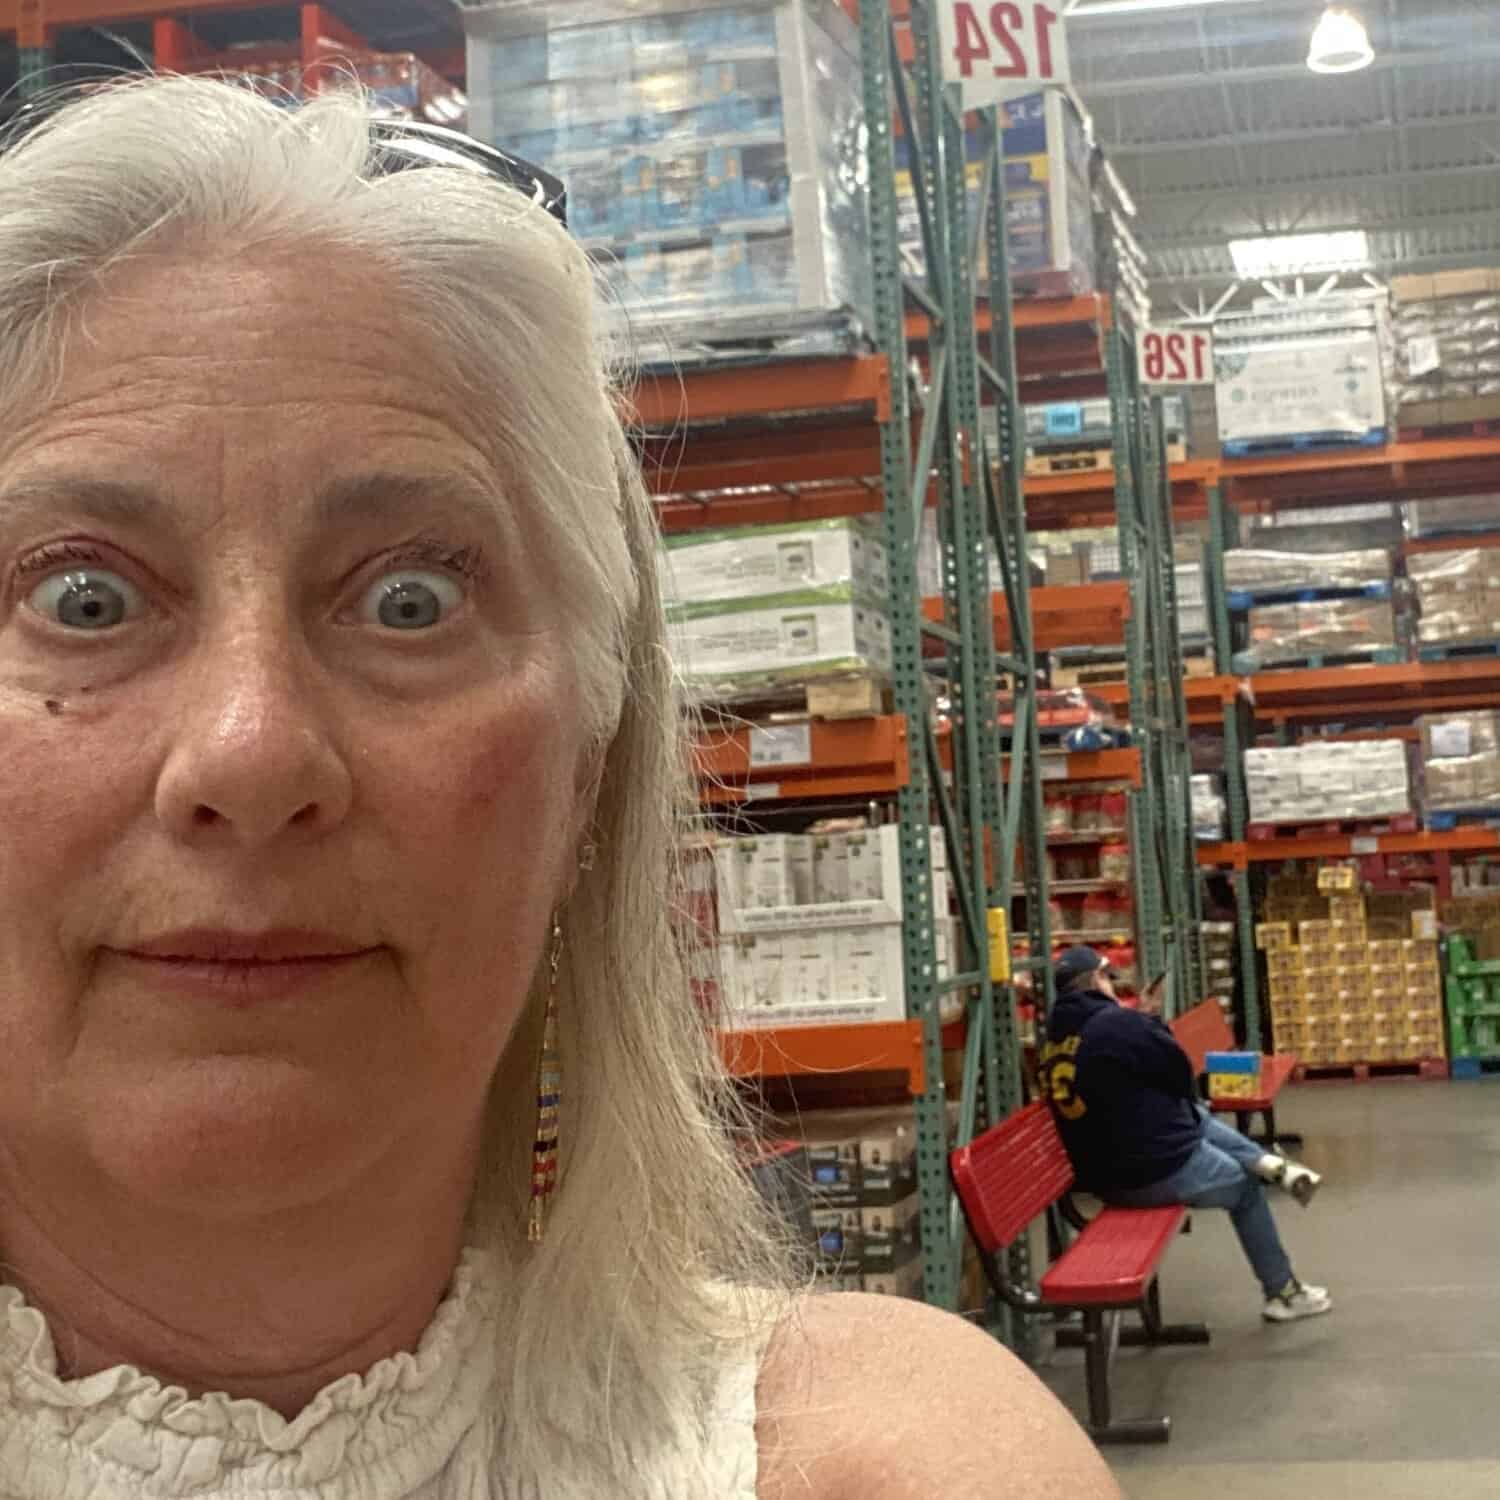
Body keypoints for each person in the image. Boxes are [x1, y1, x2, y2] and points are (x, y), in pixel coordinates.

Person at [0, 77, 1119, 1499]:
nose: (251, 751)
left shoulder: (890, 1465)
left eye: (409, 602)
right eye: (85, 600)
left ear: (588, 767)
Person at [1040, 947, 1332, 1324]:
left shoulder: (1054, 1039)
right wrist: (1149, 1021)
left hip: (1108, 1173)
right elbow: (1179, 1072)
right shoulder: (1117, 1024)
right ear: (1097, 980)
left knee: (1195, 1115)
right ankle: (1284, 1292)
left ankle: (1271, 1164)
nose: (1112, 985)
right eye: (1108, 977)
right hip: (1151, 1171)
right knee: (1244, 1188)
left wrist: (1141, 1021)